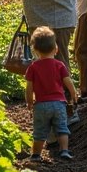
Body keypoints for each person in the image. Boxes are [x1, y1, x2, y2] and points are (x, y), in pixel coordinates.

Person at [25, 26, 78, 162]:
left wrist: (29, 101)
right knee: (62, 128)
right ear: (56, 48)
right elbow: (68, 82)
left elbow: (29, 88)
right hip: (59, 104)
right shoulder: (59, 65)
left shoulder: (33, 67)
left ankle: (36, 154)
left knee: (40, 131)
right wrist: (74, 94)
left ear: (35, 50)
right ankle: (64, 151)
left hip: (41, 105)